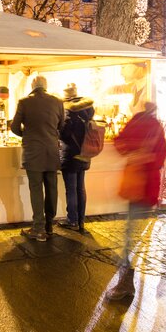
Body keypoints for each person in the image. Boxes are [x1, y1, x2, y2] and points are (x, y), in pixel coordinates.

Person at [107, 102, 166, 301]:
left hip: (139, 184)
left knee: (131, 235)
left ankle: (126, 283)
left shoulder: (137, 123)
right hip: (145, 185)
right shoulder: (155, 126)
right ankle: (126, 281)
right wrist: (145, 156)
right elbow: (160, 157)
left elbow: (119, 142)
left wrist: (134, 154)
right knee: (133, 234)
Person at [11, 75, 64, 242]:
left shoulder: (24, 102)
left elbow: (14, 127)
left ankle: (38, 228)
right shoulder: (58, 102)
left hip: (33, 152)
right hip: (51, 151)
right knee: (52, 188)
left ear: (33, 85)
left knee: (36, 189)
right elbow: (61, 126)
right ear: (45, 85)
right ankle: (49, 225)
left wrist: (26, 135)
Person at [58, 84, 95, 233]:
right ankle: (81, 221)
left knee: (71, 189)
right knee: (81, 188)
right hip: (85, 153)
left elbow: (64, 134)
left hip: (71, 154)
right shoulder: (88, 110)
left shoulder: (69, 111)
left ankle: (72, 220)